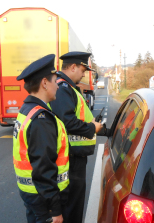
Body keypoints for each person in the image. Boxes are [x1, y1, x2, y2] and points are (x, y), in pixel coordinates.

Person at [49, 51, 106, 223]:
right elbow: (68, 121)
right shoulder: (63, 88)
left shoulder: (67, 87)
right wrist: (91, 128)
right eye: (82, 70)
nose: (83, 74)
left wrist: (103, 130)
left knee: (74, 205)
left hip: (73, 156)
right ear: (73, 67)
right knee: (72, 208)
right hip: (70, 159)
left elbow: (79, 118)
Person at [13, 54, 70, 223]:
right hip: (44, 200)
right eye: (55, 81)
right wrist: (55, 210)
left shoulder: (27, 109)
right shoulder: (41, 119)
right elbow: (44, 169)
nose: (58, 86)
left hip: (32, 194)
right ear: (45, 83)